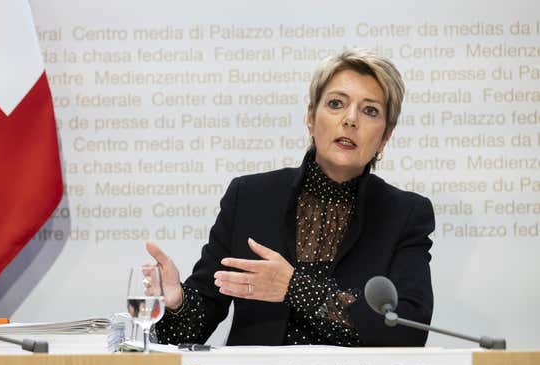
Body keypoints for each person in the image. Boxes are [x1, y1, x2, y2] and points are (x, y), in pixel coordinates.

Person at [144, 48, 434, 347]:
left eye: (370, 110)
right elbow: (193, 329)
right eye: (336, 104)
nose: (350, 119)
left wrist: (296, 287)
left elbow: (409, 331)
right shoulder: (250, 197)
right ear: (311, 117)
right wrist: (177, 302)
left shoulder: (404, 214)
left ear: (386, 135)